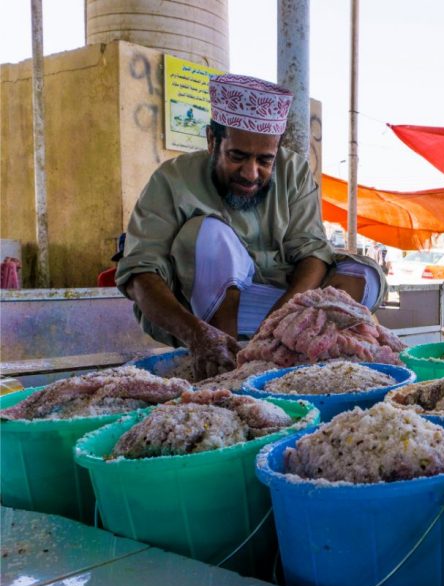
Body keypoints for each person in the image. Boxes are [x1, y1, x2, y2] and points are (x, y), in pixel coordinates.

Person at [115, 73, 387, 379]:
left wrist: (275, 327)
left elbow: (312, 253)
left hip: (281, 307)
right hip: (200, 314)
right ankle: (224, 365)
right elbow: (139, 274)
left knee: (364, 274)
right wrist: (196, 336)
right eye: (237, 156)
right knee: (209, 236)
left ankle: (292, 351)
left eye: (265, 160)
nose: (251, 173)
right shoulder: (172, 179)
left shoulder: (294, 171)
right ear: (211, 141)